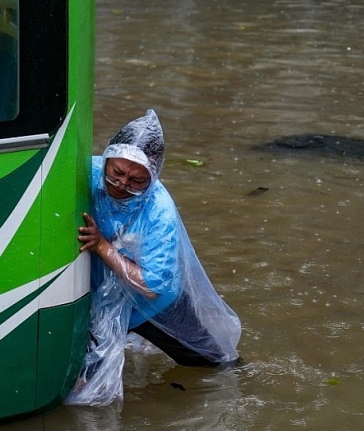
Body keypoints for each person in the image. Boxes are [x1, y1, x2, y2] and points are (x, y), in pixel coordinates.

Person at [70, 109, 240, 403]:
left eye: (137, 180)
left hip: (154, 304)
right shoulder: (87, 173)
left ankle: (240, 394)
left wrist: (102, 247)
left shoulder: (158, 211)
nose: (122, 185)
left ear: (152, 177)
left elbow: (152, 286)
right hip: (101, 296)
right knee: (83, 382)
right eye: (117, 173)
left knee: (212, 363)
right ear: (106, 161)